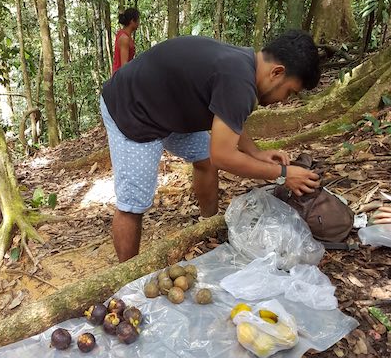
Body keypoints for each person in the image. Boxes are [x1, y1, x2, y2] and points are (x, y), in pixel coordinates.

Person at [101, 30, 321, 262]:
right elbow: (223, 156)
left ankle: (208, 224)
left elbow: (228, 116)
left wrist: (255, 152)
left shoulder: (243, 64)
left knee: (204, 158)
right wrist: (283, 174)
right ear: (277, 72)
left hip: (167, 107)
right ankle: (126, 281)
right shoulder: (239, 81)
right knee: (133, 205)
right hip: (132, 108)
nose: (284, 100)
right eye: (289, 92)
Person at [112, 7, 140, 73]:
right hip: (120, 78)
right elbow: (124, 66)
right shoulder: (124, 38)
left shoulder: (126, 36)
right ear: (132, 21)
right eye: (138, 20)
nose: (139, 23)